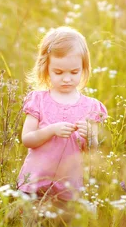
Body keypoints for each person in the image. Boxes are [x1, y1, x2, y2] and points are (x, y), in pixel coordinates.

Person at [17, 26, 108, 203]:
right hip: (35, 181)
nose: (67, 79)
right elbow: (27, 139)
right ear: (46, 69)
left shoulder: (91, 107)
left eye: (74, 72)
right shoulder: (38, 100)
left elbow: (92, 149)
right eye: (58, 72)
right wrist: (51, 130)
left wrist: (89, 136)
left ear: (84, 69)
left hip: (68, 186)